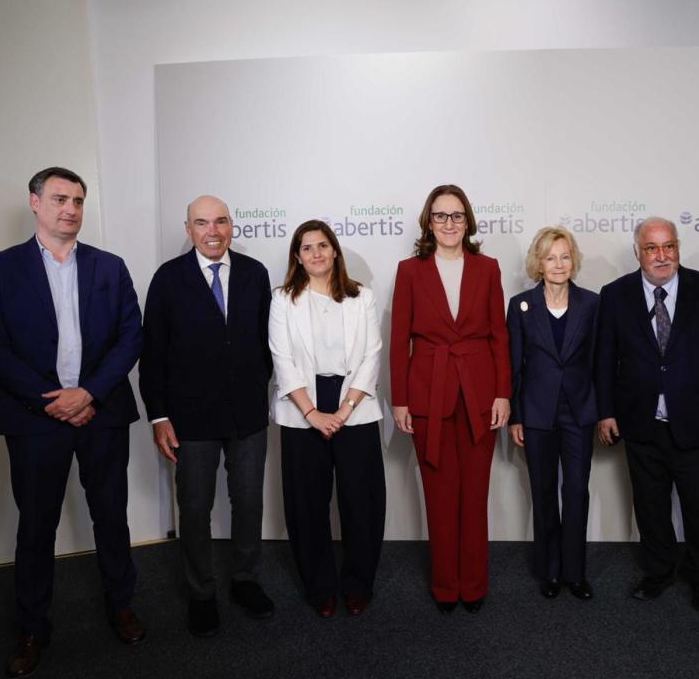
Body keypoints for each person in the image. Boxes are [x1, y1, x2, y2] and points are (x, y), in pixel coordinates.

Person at [0, 166, 146, 679]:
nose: (70, 209)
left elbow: (131, 337)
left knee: (111, 516)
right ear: (35, 203)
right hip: (35, 418)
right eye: (59, 199)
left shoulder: (109, 267)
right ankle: (32, 629)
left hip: (101, 412)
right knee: (36, 525)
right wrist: (51, 401)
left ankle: (122, 606)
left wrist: (89, 392)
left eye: (77, 201)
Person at [139, 194, 275, 637]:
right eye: (202, 223)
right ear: (188, 229)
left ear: (232, 225)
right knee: (195, 508)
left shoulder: (255, 273)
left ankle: (245, 580)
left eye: (220, 221)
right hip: (190, 418)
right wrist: (159, 416)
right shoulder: (168, 278)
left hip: (247, 415)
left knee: (249, 502)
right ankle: (201, 593)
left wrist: (255, 384)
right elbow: (153, 352)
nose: (212, 231)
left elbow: (267, 342)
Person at [594, 217, 699, 612]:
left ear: (678, 248)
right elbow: (604, 358)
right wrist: (606, 411)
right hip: (641, 423)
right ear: (637, 253)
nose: (662, 256)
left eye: (669, 246)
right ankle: (658, 572)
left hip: (697, 420)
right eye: (652, 248)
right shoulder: (615, 294)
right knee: (650, 506)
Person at [390, 184, 511, 613]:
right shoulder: (409, 271)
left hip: (480, 394)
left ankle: (473, 585)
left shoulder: (488, 268)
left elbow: (499, 336)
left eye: (457, 215)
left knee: (474, 495)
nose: (449, 223)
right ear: (429, 221)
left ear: (468, 221)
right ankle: (445, 586)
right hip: (428, 392)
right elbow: (399, 339)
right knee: (439, 496)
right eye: (440, 215)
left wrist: (503, 393)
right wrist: (400, 400)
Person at [268, 220, 386, 618]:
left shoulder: (361, 297)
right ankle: (319, 588)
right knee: (307, 505)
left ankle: (358, 585)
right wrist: (312, 413)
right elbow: (282, 359)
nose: (316, 253)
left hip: (355, 403)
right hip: (302, 407)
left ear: (334, 251)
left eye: (322, 245)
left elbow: (371, 355)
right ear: (298, 257)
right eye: (307, 248)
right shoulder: (283, 299)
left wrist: (344, 410)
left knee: (362, 502)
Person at [507, 227, 599, 600]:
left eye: (564, 256)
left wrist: (603, 411)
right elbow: (514, 365)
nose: (558, 264)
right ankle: (549, 570)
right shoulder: (521, 305)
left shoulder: (592, 304)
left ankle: (574, 572)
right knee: (543, 492)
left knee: (576, 491)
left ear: (573, 261)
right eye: (550, 257)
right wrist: (516, 416)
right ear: (538, 263)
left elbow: (600, 362)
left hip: (579, 412)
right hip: (536, 413)